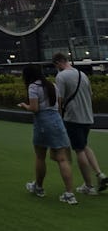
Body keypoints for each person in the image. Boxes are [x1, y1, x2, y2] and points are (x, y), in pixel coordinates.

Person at [18, 63, 77, 204]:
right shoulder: (52, 85)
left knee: (40, 156)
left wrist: (24, 105)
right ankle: (69, 194)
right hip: (56, 121)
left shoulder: (33, 87)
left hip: (43, 123)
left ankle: (38, 187)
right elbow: (58, 104)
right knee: (62, 158)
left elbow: (34, 108)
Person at [52, 52, 108, 195]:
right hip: (87, 117)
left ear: (58, 62)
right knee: (83, 145)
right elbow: (91, 95)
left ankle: (88, 186)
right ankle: (100, 174)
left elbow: (60, 100)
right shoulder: (82, 75)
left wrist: (58, 117)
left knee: (78, 149)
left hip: (73, 117)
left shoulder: (61, 76)